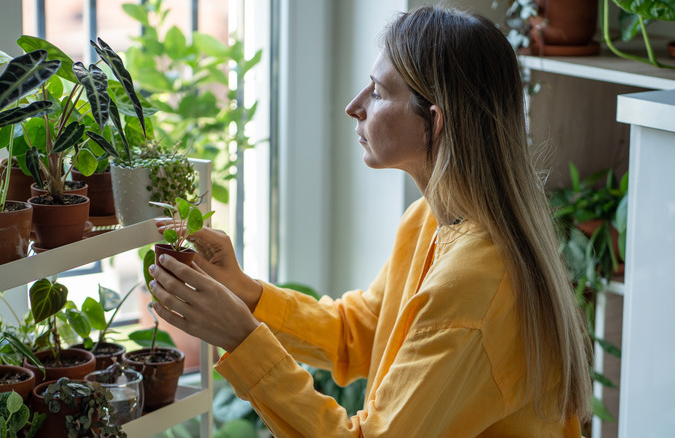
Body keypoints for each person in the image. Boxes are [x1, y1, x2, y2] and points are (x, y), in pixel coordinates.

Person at [148, 5, 593, 437]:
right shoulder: (429, 220)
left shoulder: (474, 284)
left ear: (433, 123)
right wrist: (244, 291)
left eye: (378, 92)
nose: (353, 106)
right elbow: (357, 333)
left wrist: (243, 339)